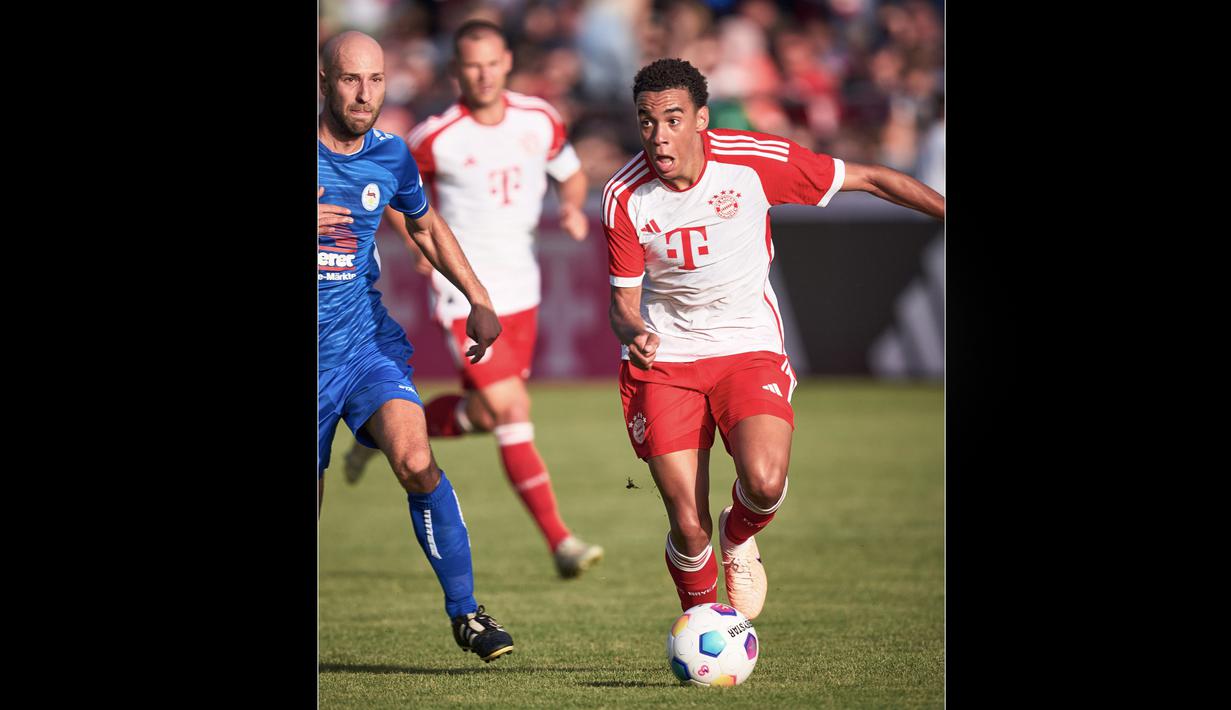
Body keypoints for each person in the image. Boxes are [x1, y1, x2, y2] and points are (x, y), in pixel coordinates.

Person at [604, 58, 944, 619]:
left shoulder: (752, 161)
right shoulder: (624, 195)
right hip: (667, 358)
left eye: (671, 119)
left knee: (763, 482)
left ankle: (738, 537)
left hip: (746, 345)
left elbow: (876, 179)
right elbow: (622, 302)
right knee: (688, 526)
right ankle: (707, 626)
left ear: (701, 119)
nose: (658, 136)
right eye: (645, 122)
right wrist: (635, 330)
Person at [342, 20, 604, 580]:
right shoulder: (437, 135)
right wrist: (414, 238)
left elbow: (572, 174)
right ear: (457, 70)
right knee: (511, 409)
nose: (482, 74)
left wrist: (574, 208)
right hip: (462, 294)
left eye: (491, 63)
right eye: (471, 65)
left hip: (524, 292)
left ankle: (380, 431)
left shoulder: (540, 119)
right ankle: (561, 541)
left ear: (506, 61)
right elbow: (392, 187)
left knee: (485, 414)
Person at [317, 30, 515, 663]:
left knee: (414, 458)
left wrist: (478, 298)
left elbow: (425, 227)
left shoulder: (392, 155)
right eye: (350, 79)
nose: (364, 93)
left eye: (375, 80)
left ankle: (467, 613)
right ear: (323, 83)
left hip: (363, 345)